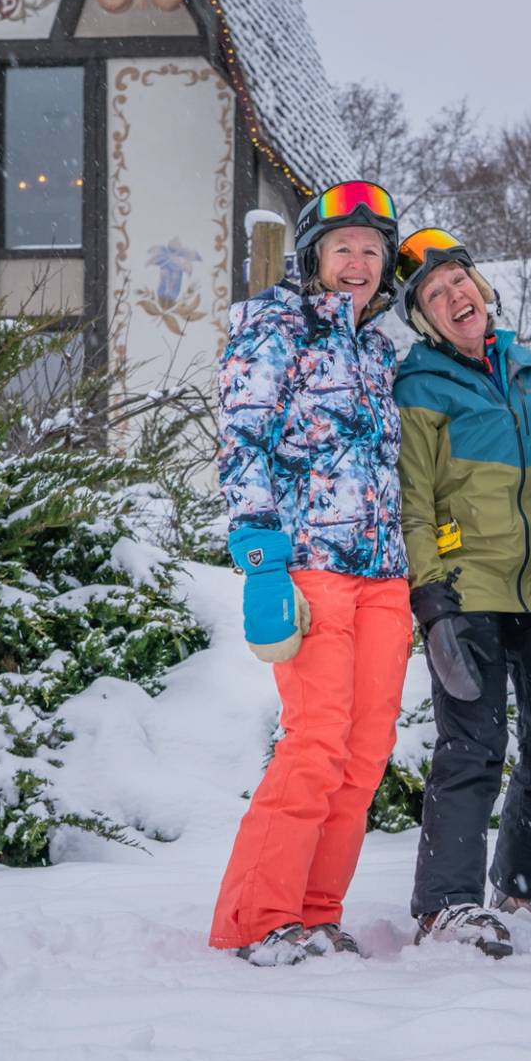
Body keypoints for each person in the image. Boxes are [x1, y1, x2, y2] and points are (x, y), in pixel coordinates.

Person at [207, 180, 413, 966]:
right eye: (343, 248)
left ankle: (316, 912)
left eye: (371, 250)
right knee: (316, 741)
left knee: (364, 754)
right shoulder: (275, 323)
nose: (357, 262)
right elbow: (243, 437)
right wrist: (260, 554)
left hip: (383, 573)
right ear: (314, 257)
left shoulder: (377, 348)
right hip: (312, 566)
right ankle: (256, 918)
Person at [393, 227, 531, 958]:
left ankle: (523, 888)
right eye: (434, 295)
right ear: (424, 319)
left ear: (482, 286)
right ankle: (445, 904)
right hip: (468, 590)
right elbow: (414, 501)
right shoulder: (420, 385)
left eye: (458, 280)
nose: (453, 296)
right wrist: (429, 599)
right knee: (472, 745)